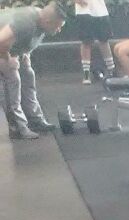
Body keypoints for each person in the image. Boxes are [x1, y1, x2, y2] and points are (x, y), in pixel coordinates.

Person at [0, 1, 66, 139]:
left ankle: (35, 120)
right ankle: (18, 128)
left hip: (12, 49)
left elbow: (22, 39)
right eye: (58, 26)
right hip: (2, 48)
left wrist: (24, 53)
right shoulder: (26, 22)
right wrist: (8, 59)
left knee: (28, 75)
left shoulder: (40, 17)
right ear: (48, 21)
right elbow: (1, 40)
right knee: (13, 81)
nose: (59, 30)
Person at [75, 0, 115, 84]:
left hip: (100, 10)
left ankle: (112, 70)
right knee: (86, 42)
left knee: (104, 41)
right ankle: (86, 74)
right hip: (83, 11)